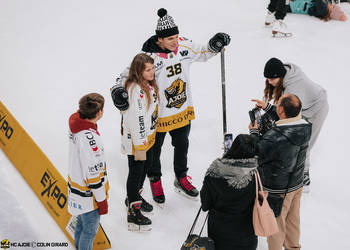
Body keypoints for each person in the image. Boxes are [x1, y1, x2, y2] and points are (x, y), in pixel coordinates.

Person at [111, 8, 231, 205]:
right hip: (158, 116)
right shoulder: (149, 57)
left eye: (176, 36)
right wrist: (117, 91)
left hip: (182, 110)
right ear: (159, 40)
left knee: (182, 146)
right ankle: (155, 180)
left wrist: (214, 44)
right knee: (154, 153)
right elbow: (125, 76)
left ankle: (181, 177)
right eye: (170, 39)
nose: (175, 42)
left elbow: (203, 51)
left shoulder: (183, 45)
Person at [252, 57, 328, 192]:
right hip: (303, 105)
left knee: (305, 143)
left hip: (317, 109)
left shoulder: (293, 88)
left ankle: (304, 177)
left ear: (279, 76)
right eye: (267, 79)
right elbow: (283, 109)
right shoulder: (286, 72)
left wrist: (269, 114)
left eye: (271, 79)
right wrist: (267, 108)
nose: (269, 82)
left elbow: (285, 117)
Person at [249, 93, 312, 250]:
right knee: (293, 221)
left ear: (282, 110)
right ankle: (293, 247)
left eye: (278, 105)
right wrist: (269, 108)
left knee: (275, 227)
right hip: (296, 183)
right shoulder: (306, 126)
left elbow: (257, 154)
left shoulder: (274, 137)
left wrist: (254, 134)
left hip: (278, 189)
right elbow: (288, 118)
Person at [120, 53, 159, 231]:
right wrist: (141, 143)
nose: (152, 72)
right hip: (139, 142)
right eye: (148, 70)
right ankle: (133, 212)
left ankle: (135, 196)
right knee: (137, 171)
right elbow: (137, 120)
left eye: (152, 68)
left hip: (147, 138)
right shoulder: (135, 90)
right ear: (139, 71)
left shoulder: (148, 85)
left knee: (147, 165)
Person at [200, 134, 258, 250]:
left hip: (218, 234)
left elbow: (205, 204)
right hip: (245, 235)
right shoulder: (256, 176)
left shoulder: (214, 172)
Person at [68, 93, 109, 250]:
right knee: (89, 232)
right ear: (99, 113)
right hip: (89, 197)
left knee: (80, 226)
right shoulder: (91, 140)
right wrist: (101, 200)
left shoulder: (75, 124)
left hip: (76, 189)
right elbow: (93, 175)